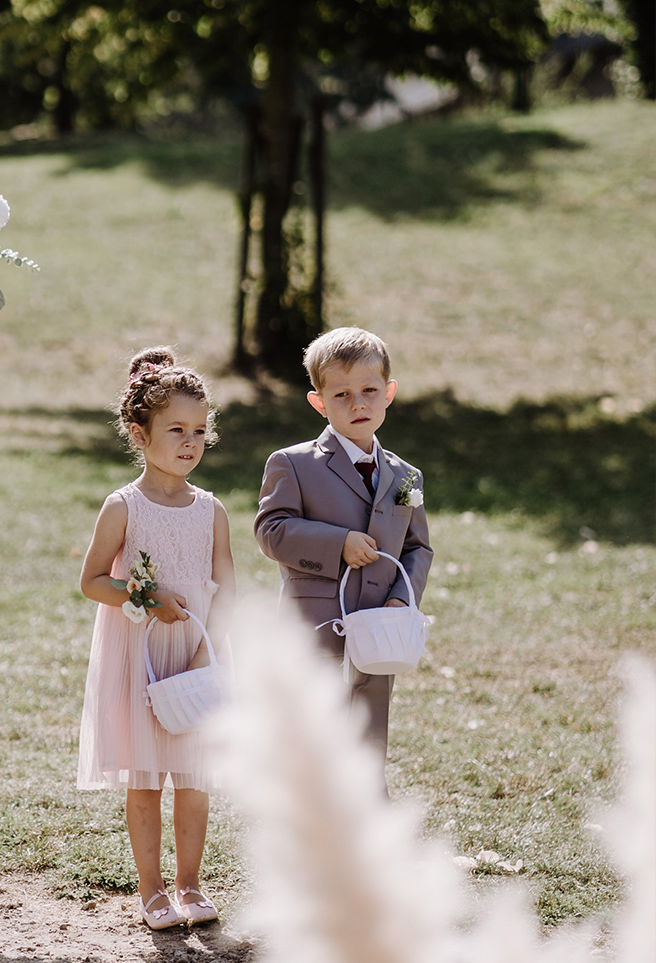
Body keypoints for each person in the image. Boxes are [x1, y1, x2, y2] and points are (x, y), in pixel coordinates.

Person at [76, 349, 235, 930]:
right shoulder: (124, 506)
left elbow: (228, 590)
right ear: (140, 435)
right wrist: (145, 598)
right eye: (176, 430)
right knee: (145, 780)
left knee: (193, 779)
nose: (190, 442)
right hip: (138, 658)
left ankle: (191, 884)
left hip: (194, 657)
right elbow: (92, 581)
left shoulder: (211, 510)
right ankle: (152, 891)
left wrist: (203, 651)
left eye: (199, 431)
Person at [256, 327, 432, 756]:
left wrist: (399, 600)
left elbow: (417, 548)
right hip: (315, 630)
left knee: (368, 741)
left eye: (370, 390)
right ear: (319, 402)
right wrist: (338, 544)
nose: (358, 403)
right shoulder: (292, 464)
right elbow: (271, 530)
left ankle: (370, 814)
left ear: (388, 392)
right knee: (315, 750)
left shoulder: (407, 476)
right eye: (341, 395)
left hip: (379, 632)